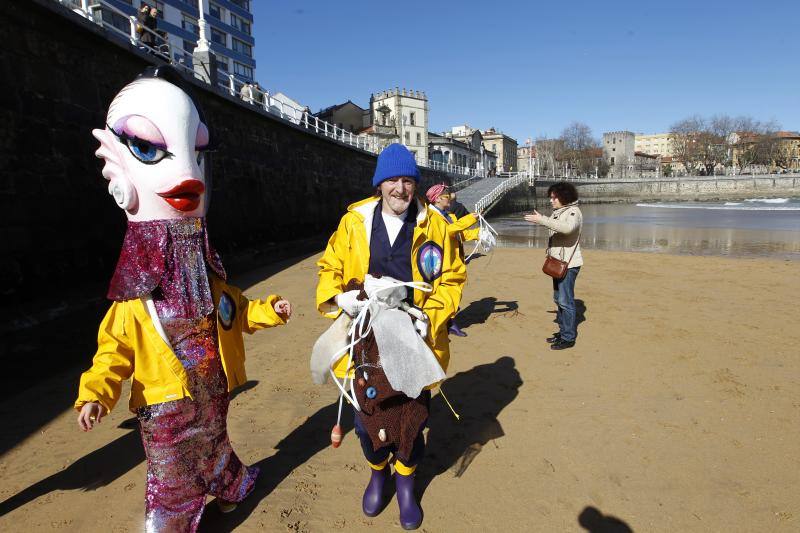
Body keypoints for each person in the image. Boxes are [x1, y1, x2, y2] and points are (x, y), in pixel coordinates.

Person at [74, 66, 292, 532]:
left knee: (215, 446)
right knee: (171, 475)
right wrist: (95, 393)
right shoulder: (135, 297)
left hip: (213, 391)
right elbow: (113, 351)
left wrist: (268, 311)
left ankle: (230, 488)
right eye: (147, 146)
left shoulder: (205, 276)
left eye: (197, 152)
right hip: (166, 404)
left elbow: (234, 309)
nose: (188, 173)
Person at [316, 144, 465, 530]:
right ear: (380, 184)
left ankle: (405, 484)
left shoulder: (436, 225)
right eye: (393, 181)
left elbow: (452, 278)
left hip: (417, 336)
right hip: (364, 338)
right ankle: (378, 473)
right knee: (367, 418)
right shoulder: (354, 223)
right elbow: (329, 265)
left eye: (408, 181)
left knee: (412, 417)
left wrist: (430, 318)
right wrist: (339, 296)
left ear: (415, 184)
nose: (400, 189)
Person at [524, 182, 583, 350]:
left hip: (568, 264)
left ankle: (568, 337)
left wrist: (542, 220)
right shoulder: (560, 212)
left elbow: (567, 228)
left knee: (566, 301)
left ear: (564, 197)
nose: (551, 200)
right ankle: (564, 331)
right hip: (558, 263)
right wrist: (543, 219)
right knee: (559, 299)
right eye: (551, 197)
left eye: (554, 197)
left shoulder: (573, 212)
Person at [426, 183, 478, 337]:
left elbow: (458, 235)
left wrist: (478, 234)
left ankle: (450, 322)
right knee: (444, 295)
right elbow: (447, 231)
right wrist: (468, 220)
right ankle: (443, 325)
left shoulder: (448, 215)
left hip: (454, 260)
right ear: (437, 199)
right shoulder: (430, 217)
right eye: (446, 196)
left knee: (455, 293)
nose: (450, 199)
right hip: (441, 264)